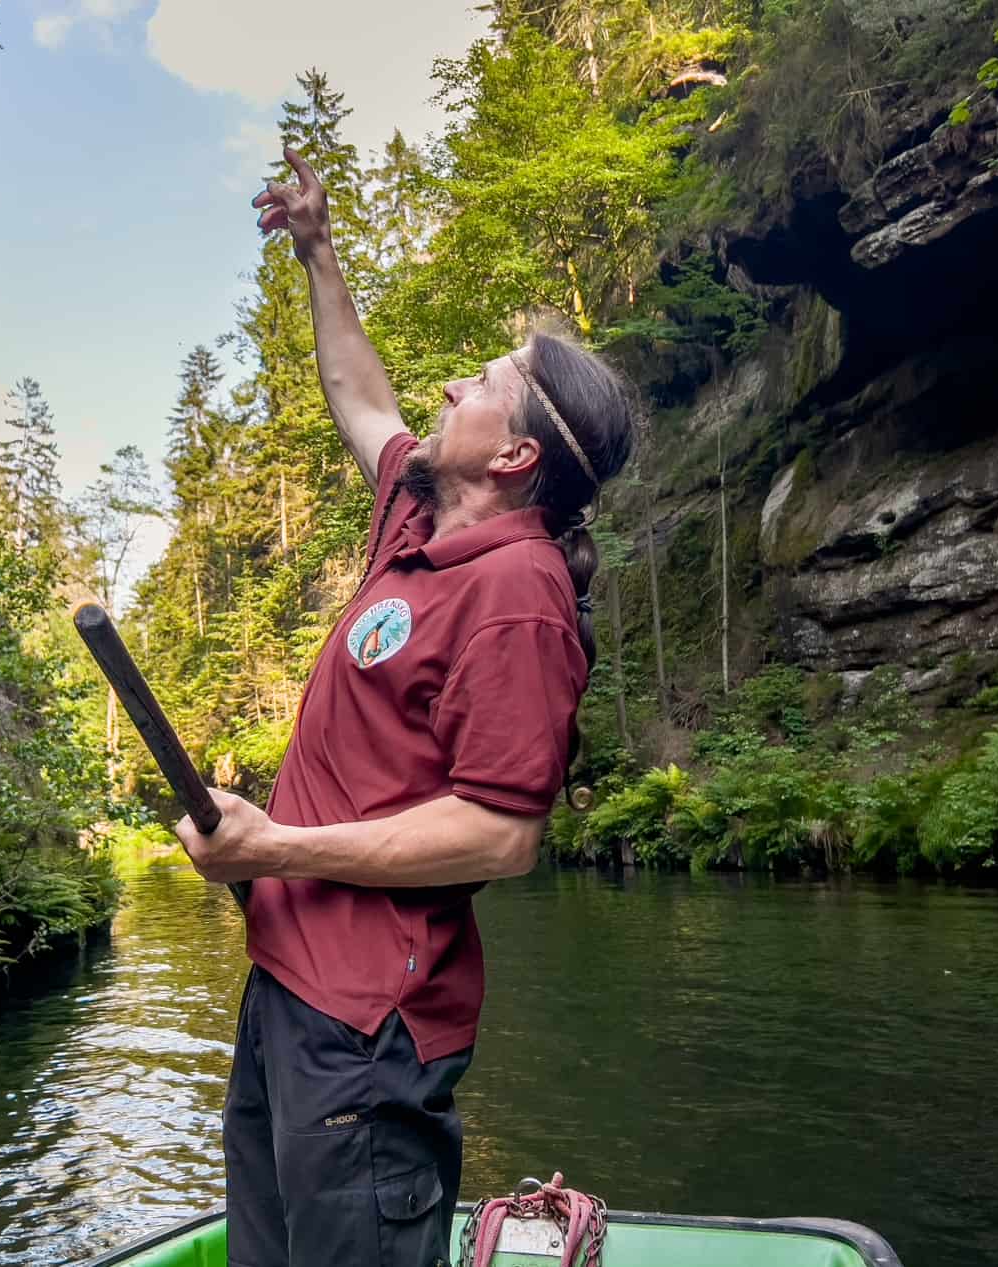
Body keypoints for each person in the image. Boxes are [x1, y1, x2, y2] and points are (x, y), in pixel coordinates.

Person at [172, 145, 636, 1267]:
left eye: (478, 384)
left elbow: (501, 833)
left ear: (518, 452)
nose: (447, 389)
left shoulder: (519, 595)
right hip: (290, 985)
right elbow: (358, 393)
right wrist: (319, 252)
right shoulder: (421, 523)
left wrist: (277, 841)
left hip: (369, 1029)